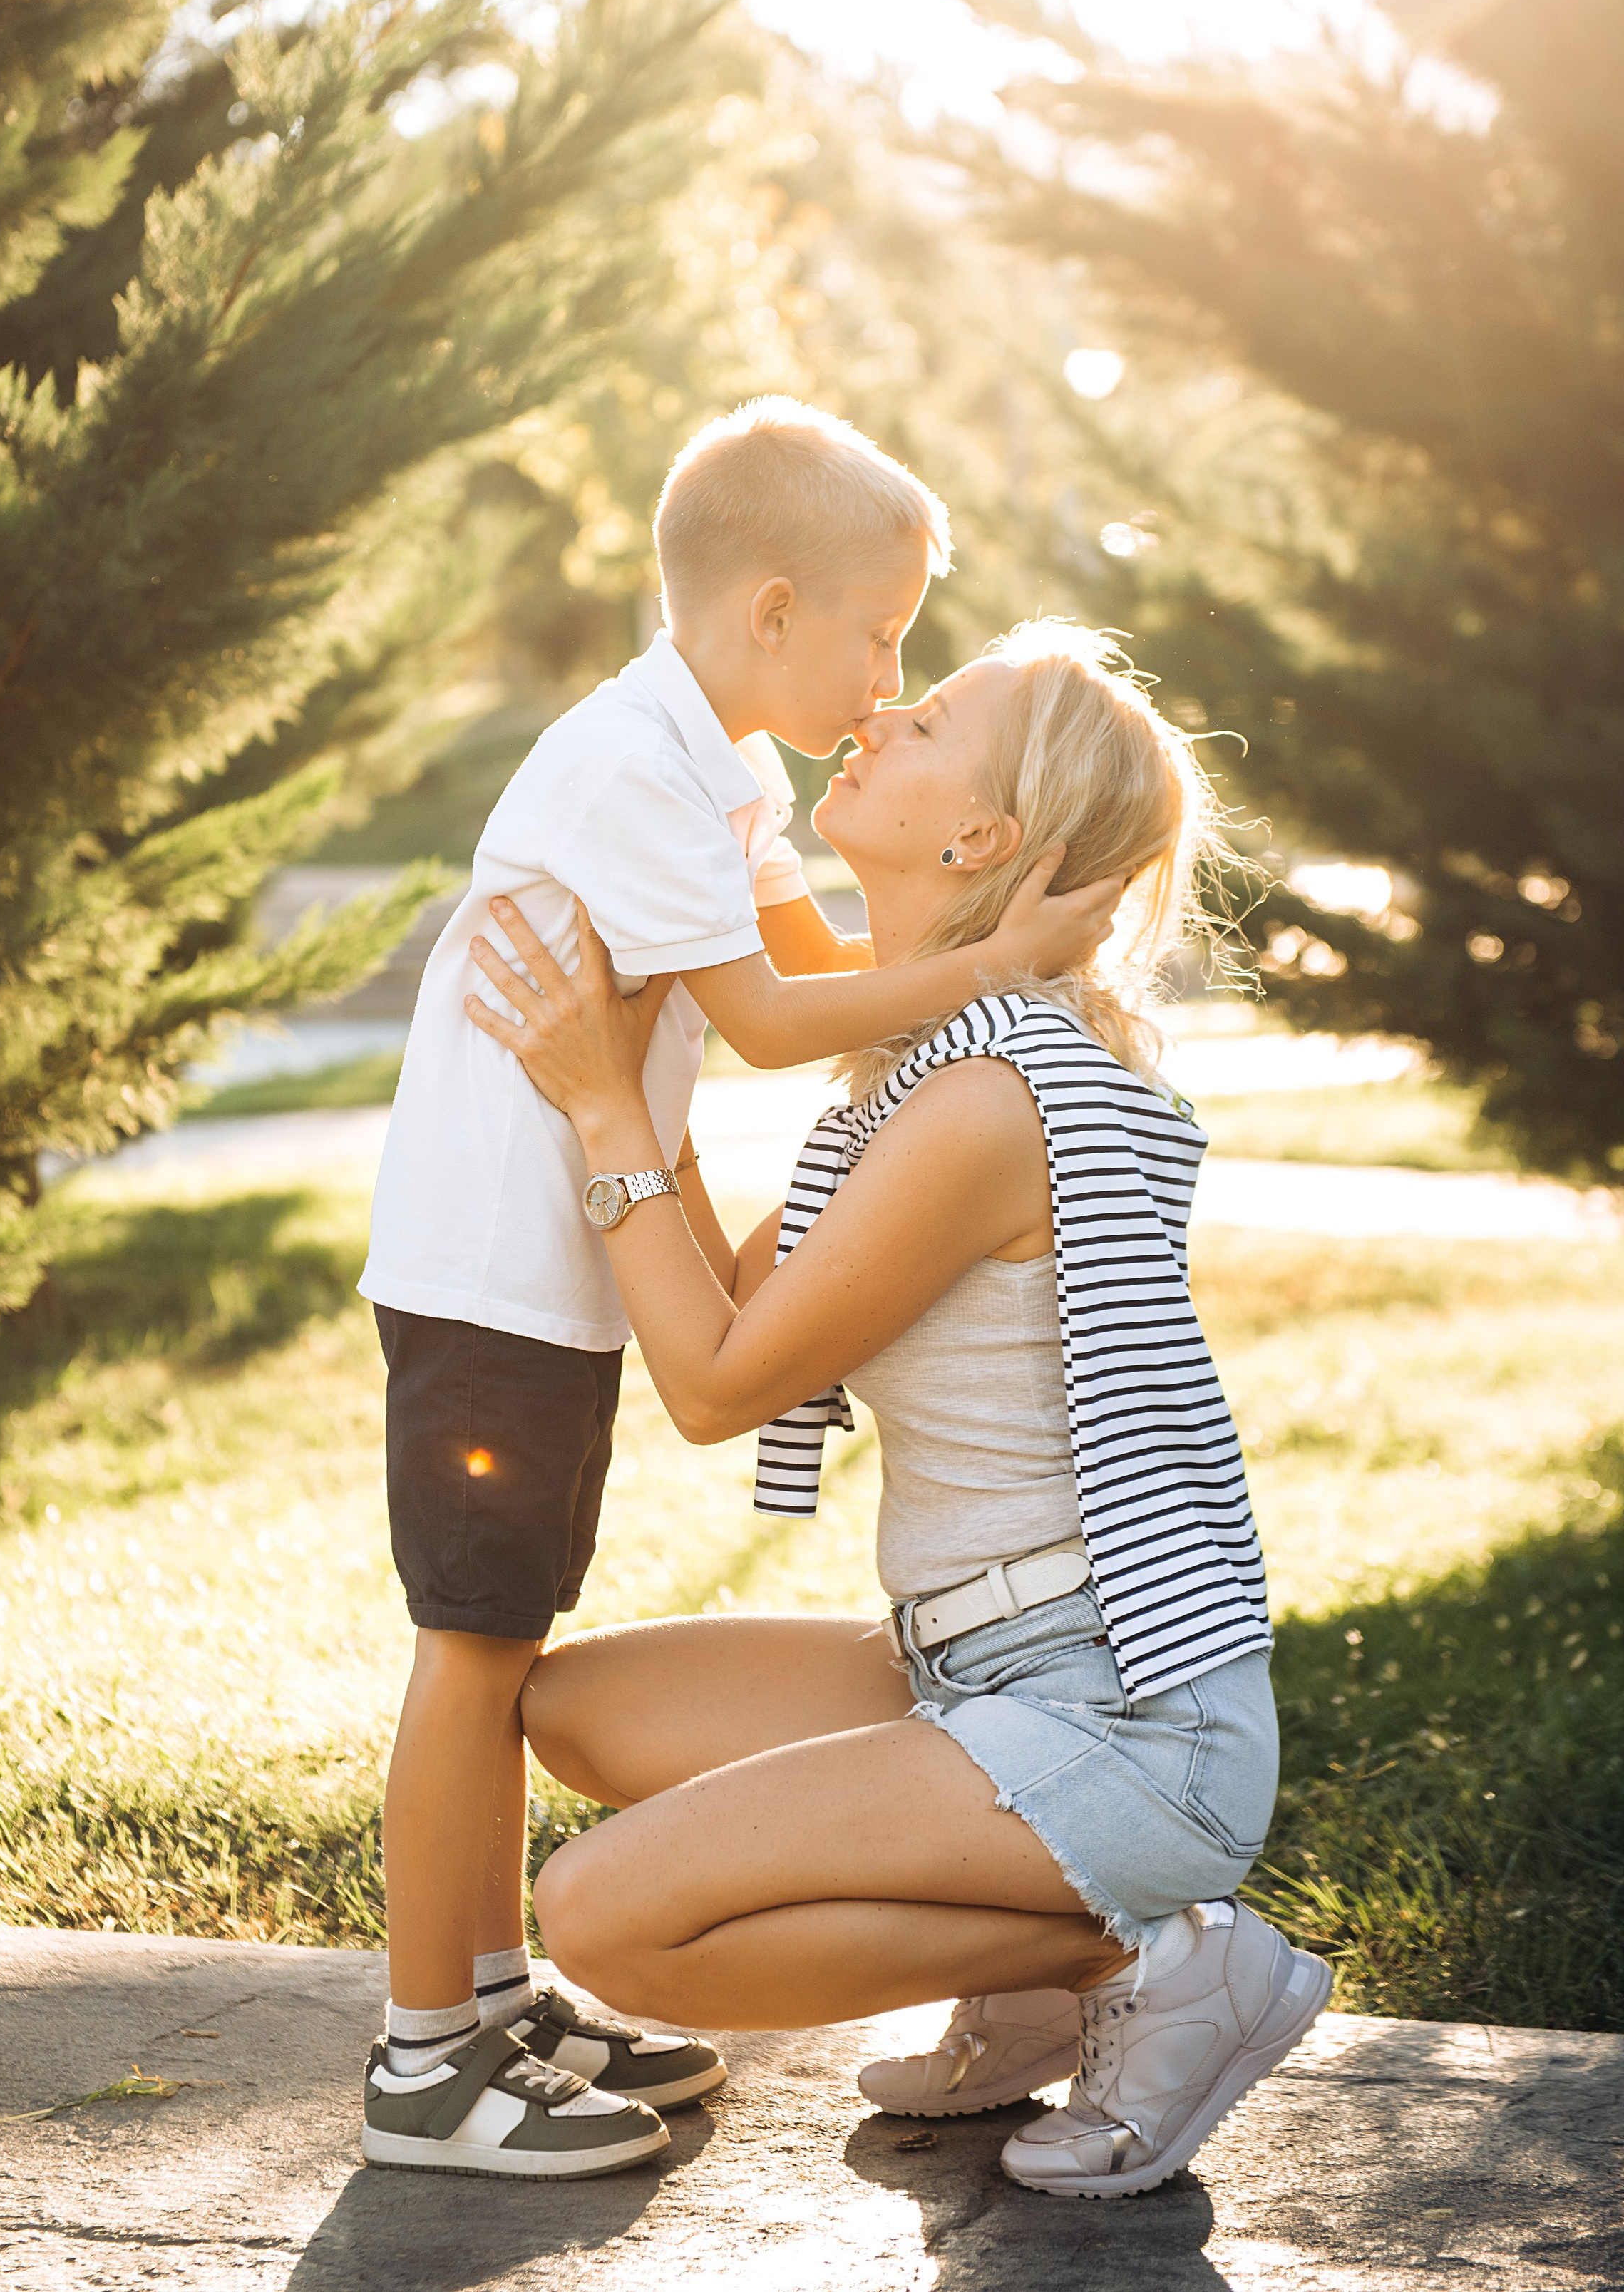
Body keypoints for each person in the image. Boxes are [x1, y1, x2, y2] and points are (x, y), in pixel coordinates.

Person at [464, 619, 1334, 2201]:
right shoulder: (908, 1070)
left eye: (925, 717)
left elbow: (720, 1391)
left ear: (981, 836)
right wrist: (647, 1085)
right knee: (573, 1712)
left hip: (1115, 1714)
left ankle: (1152, 1959)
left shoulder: (984, 1101)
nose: (877, 708)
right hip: (966, 1660)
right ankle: (1025, 1989)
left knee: (603, 1922)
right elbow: (730, 1332)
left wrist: (600, 1104)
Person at [355, 406, 1122, 2179]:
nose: (891, 672)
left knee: (507, 1637)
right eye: (880, 632)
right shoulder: (628, 764)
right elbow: (778, 1025)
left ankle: (485, 1997)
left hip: (550, 1281)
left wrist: (971, 949)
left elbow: (803, 958)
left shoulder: (724, 771)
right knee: (468, 1657)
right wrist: (999, 958)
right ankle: (421, 2060)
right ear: (771, 611)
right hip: (490, 1271)